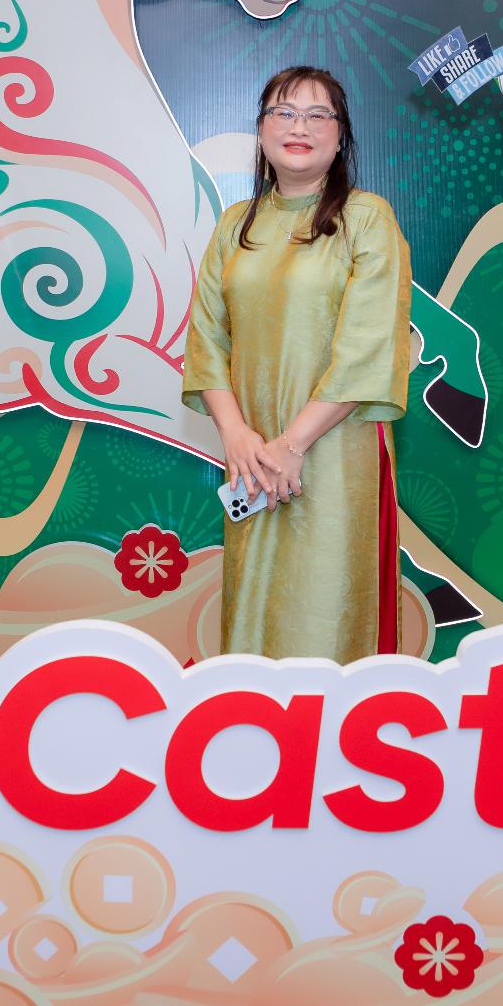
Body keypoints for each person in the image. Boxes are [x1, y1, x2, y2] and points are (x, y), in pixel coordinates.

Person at [182, 66, 412, 661]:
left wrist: (294, 443)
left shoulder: (367, 218)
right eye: (283, 113)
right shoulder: (235, 224)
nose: (299, 127)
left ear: (341, 136)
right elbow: (207, 339)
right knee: (254, 604)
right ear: (261, 131)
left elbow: (368, 347)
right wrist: (237, 435)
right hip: (252, 455)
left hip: (334, 450)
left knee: (325, 609)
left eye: (317, 115)